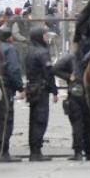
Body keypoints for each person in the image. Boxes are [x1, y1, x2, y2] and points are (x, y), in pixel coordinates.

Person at [25, 27, 58, 162]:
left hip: (32, 87)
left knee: (33, 120)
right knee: (40, 119)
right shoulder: (43, 53)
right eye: (45, 35)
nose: (46, 38)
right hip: (41, 89)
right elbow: (49, 73)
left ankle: (34, 150)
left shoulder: (29, 51)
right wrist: (54, 91)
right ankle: (36, 151)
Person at [52, 53, 90, 161]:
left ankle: (78, 153)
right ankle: (89, 152)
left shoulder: (71, 57)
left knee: (77, 123)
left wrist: (68, 77)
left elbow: (55, 68)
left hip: (76, 91)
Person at [0, 31, 24, 162]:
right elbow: (13, 70)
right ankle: (3, 152)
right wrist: (20, 87)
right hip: (5, 88)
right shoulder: (10, 50)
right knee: (5, 120)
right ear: (9, 38)